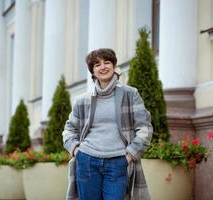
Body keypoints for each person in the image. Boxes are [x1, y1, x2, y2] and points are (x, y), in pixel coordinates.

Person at [63, 48, 153, 200]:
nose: (103, 67)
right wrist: (76, 151)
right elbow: (69, 129)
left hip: (118, 161)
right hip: (87, 161)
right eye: (97, 64)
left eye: (107, 62)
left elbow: (145, 128)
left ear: (114, 66)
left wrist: (130, 155)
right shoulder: (82, 100)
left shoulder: (130, 94)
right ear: (92, 71)